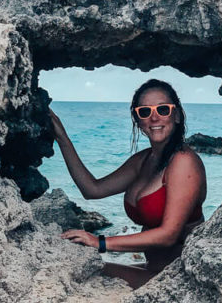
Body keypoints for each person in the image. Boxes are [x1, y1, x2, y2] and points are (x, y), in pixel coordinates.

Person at [49, 78, 207, 289]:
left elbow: (169, 235)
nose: (154, 117)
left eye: (163, 109)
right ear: (137, 120)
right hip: (153, 270)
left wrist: (99, 242)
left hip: (180, 279)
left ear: (176, 115)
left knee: (83, 269)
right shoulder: (144, 160)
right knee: (79, 265)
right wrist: (62, 137)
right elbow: (92, 189)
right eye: (144, 112)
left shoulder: (184, 161)